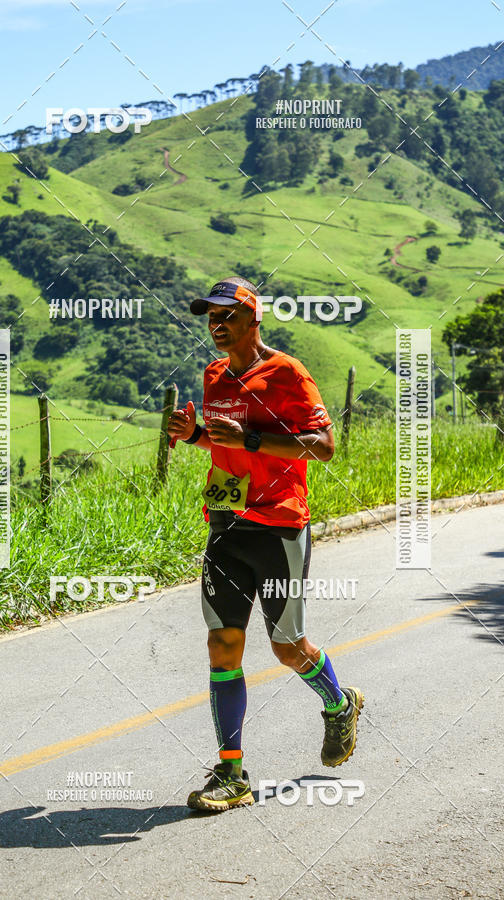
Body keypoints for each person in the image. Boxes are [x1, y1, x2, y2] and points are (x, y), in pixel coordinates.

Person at [168, 276, 364, 813]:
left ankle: (338, 702)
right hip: (226, 526)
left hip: (279, 528)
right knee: (223, 645)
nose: (217, 324)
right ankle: (232, 773)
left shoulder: (288, 373)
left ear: (253, 319)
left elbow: (323, 447)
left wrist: (252, 438)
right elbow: (222, 441)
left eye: (227, 315)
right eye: (211, 317)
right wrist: (194, 435)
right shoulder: (214, 374)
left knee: (285, 646)